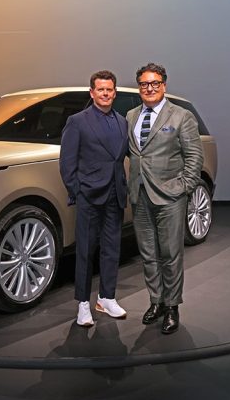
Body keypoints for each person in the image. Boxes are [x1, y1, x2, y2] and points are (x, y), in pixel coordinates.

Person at [126, 63, 204, 334]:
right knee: (148, 254)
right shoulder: (131, 116)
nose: (149, 88)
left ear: (164, 85)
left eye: (155, 83)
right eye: (144, 84)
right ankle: (156, 301)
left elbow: (194, 156)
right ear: (139, 87)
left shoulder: (181, 116)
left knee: (170, 254)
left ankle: (172, 306)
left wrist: (184, 187)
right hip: (139, 194)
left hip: (170, 196)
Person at [60, 70, 129, 327]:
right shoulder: (77, 121)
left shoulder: (122, 122)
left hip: (115, 194)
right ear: (92, 92)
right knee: (85, 252)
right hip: (89, 195)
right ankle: (82, 304)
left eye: (109, 90)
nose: (105, 94)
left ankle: (106, 298)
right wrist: (77, 191)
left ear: (115, 92)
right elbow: (67, 162)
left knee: (112, 249)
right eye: (101, 89)